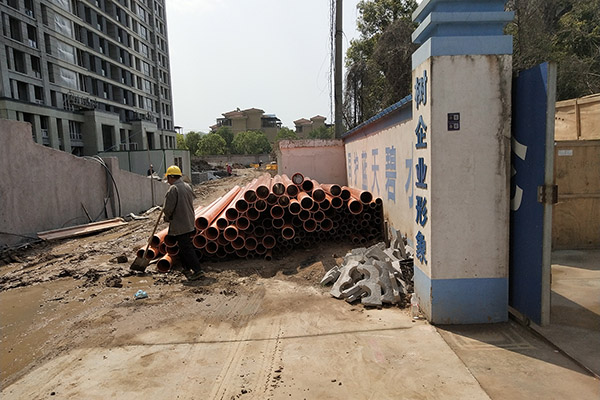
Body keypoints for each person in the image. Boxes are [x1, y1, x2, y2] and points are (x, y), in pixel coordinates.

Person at [163, 165, 203, 281]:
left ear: (171, 177)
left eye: (168, 178)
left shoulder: (173, 189)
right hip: (189, 221)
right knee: (183, 246)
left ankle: (198, 270)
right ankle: (186, 268)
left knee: (186, 248)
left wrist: (167, 217)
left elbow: (168, 208)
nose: (167, 181)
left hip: (180, 223)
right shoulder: (187, 186)